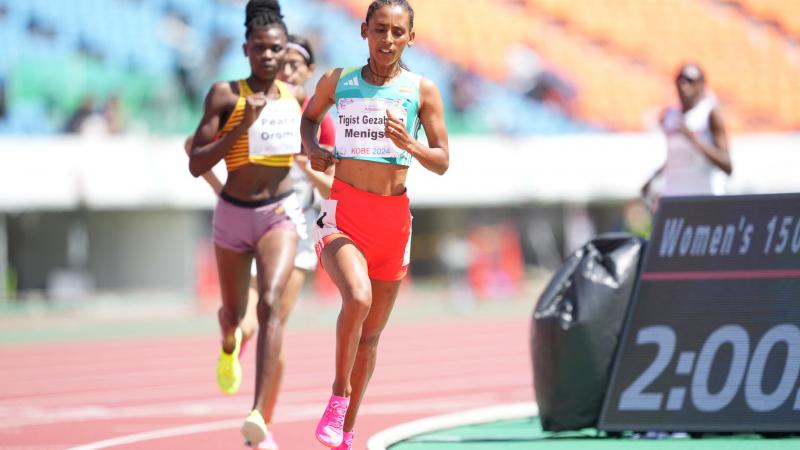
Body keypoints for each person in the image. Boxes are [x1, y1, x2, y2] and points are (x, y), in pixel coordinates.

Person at [300, 1, 450, 448]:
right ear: (364, 30)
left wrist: (412, 146)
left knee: (370, 339)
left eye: (397, 32)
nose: (388, 40)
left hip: (392, 223)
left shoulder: (422, 91)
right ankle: (337, 395)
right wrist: (314, 148)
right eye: (379, 29)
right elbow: (309, 120)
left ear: (411, 37)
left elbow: (443, 161)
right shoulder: (337, 81)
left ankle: (345, 434)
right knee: (358, 297)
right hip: (343, 212)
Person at [187, 1, 303, 447]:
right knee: (234, 313)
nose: (269, 57)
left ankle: (258, 413)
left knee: (271, 304)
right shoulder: (225, 94)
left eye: (276, 49)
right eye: (260, 49)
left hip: (280, 213)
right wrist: (241, 127)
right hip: (233, 216)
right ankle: (228, 341)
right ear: (246, 49)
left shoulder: (295, 100)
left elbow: (314, 146)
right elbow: (196, 163)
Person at [642, 63, 732, 210]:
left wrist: (692, 138)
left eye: (690, 80)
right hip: (674, 199)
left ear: (701, 85)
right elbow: (677, 158)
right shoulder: (669, 115)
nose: (683, 85)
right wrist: (653, 178)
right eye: (680, 80)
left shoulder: (709, 113)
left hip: (705, 199)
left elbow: (727, 165)